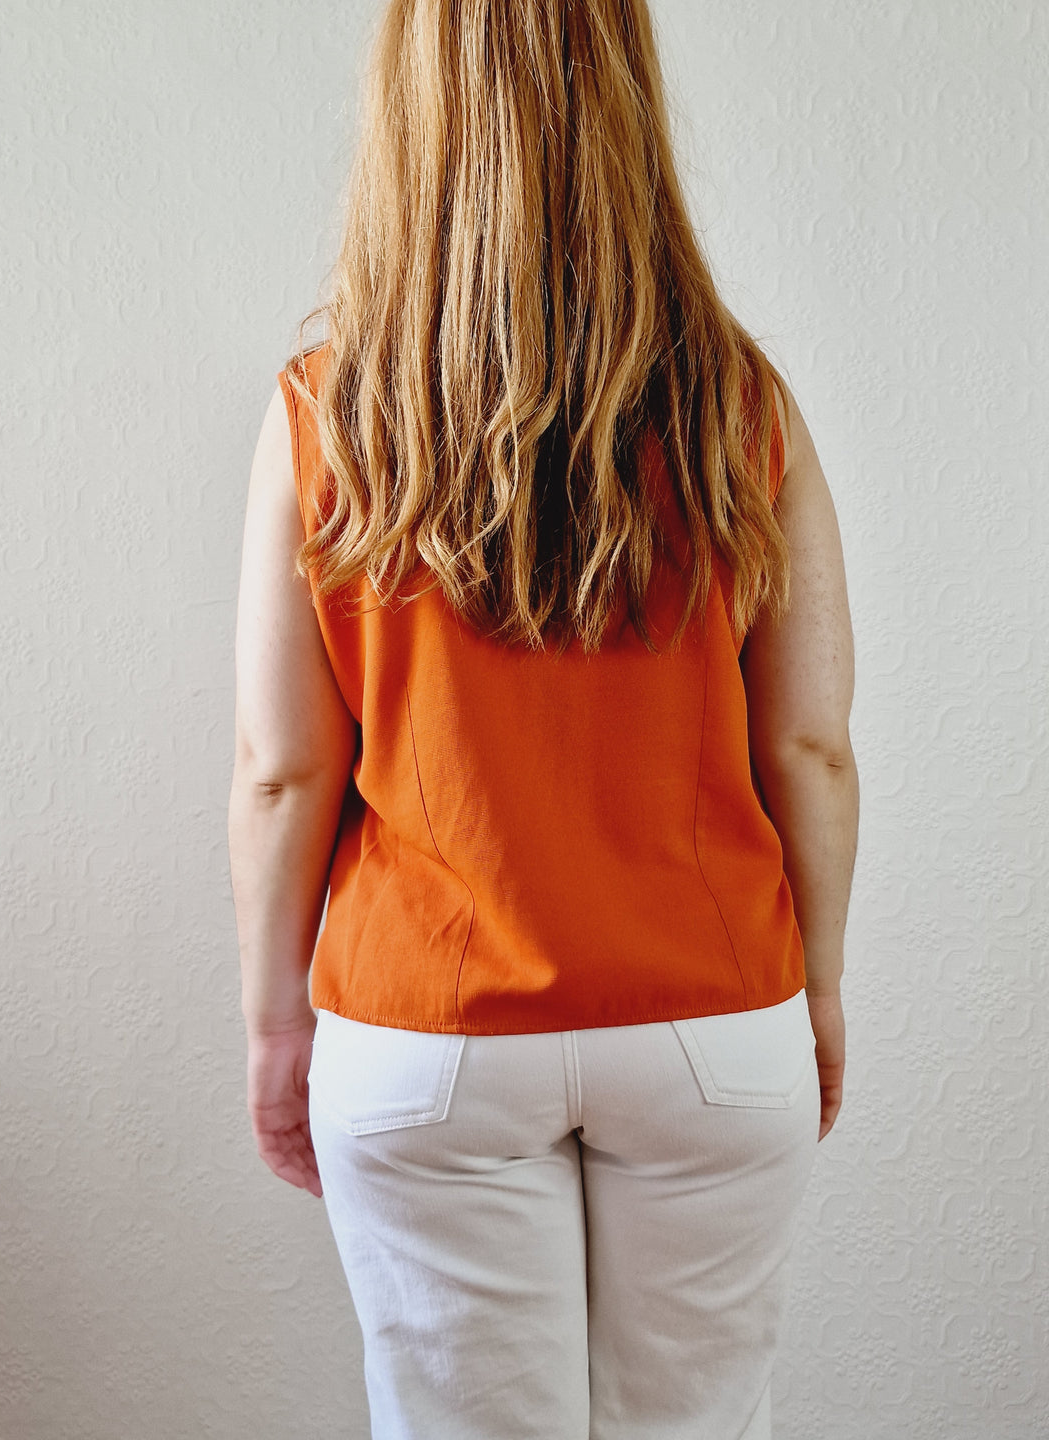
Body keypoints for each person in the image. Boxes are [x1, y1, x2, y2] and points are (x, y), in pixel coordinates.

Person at [227, 1, 858, 1436]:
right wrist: (814, 986)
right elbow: (809, 744)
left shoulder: (330, 411)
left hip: (425, 1028)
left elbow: (283, 775)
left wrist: (275, 1028)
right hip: (709, 1018)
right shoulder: (736, 404)